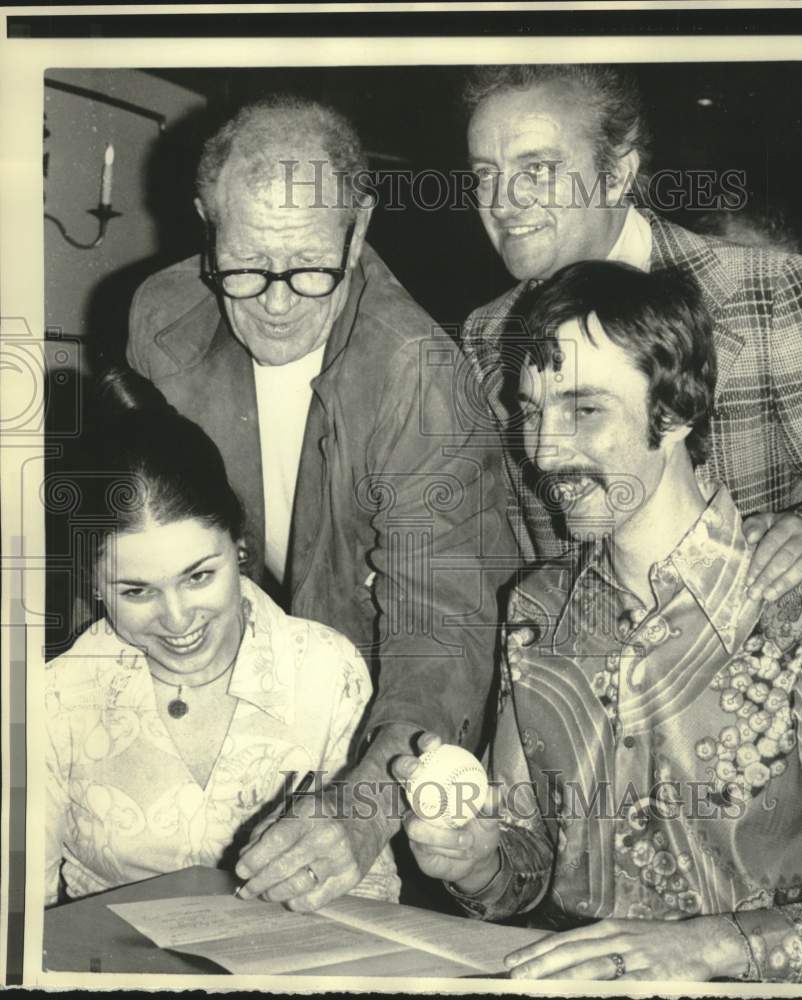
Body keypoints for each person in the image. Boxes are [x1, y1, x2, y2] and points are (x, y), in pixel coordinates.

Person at [395, 262, 802, 983]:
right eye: (532, 410)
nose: (543, 451)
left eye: (585, 410)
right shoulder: (535, 613)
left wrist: (706, 946)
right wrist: (475, 863)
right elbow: (526, 873)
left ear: (680, 408)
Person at [127, 95, 506, 909]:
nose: (273, 299)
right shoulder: (160, 321)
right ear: (205, 222)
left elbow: (441, 631)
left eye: (308, 265)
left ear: (359, 231)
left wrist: (366, 808)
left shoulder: (419, 377)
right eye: (244, 263)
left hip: (371, 732)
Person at [460, 64, 802, 605]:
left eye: (538, 169)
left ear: (615, 175)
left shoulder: (761, 287)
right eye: (485, 174)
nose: (501, 202)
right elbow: (508, 538)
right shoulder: (488, 335)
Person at [45, 370, 398, 906]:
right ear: (93, 587)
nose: (179, 618)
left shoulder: (326, 672)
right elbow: (22, 914)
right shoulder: (55, 698)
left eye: (199, 576)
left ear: (238, 545)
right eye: (137, 592)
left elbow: (371, 889)